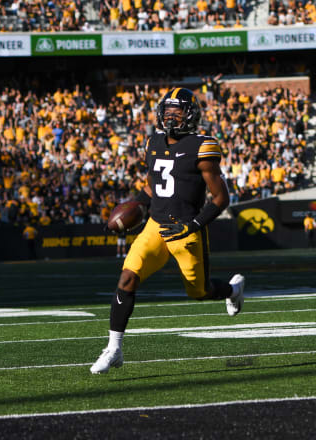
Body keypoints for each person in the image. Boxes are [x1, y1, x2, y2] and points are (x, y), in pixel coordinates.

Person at [91, 88, 245, 374]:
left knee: (199, 292)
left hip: (185, 229)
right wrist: (131, 209)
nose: (171, 116)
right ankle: (114, 348)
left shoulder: (203, 146)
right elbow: (153, 188)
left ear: (191, 115)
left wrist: (194, 225)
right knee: (126, 278)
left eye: (178, 111)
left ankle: (233, 289)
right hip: (154, 226)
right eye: (168, 111)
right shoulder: (153, 143)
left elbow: (222, 199)